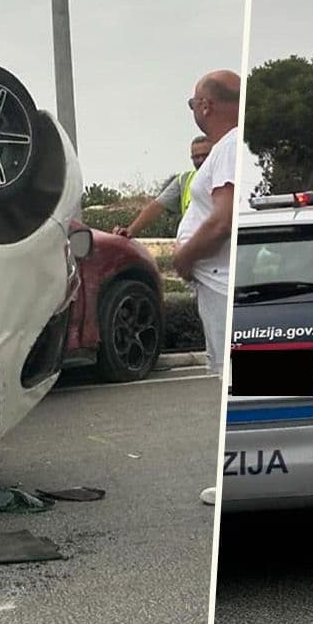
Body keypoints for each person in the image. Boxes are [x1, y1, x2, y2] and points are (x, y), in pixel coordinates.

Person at [170, 71, 242, 506]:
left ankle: (237, 475)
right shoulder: (228, 147)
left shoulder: (230, 146)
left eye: (193, 102)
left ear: (206, 105)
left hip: (222, 283)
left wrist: (184, 258)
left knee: (240, 383)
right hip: (219, 283)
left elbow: (222, 220)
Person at [116, 135, 212, 239]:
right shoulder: (184, 180)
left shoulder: (223, 177)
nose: (201, 160)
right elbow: (157, 206)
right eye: (196, 157)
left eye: (205, 155)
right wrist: (130, 230)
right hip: (194, 241)